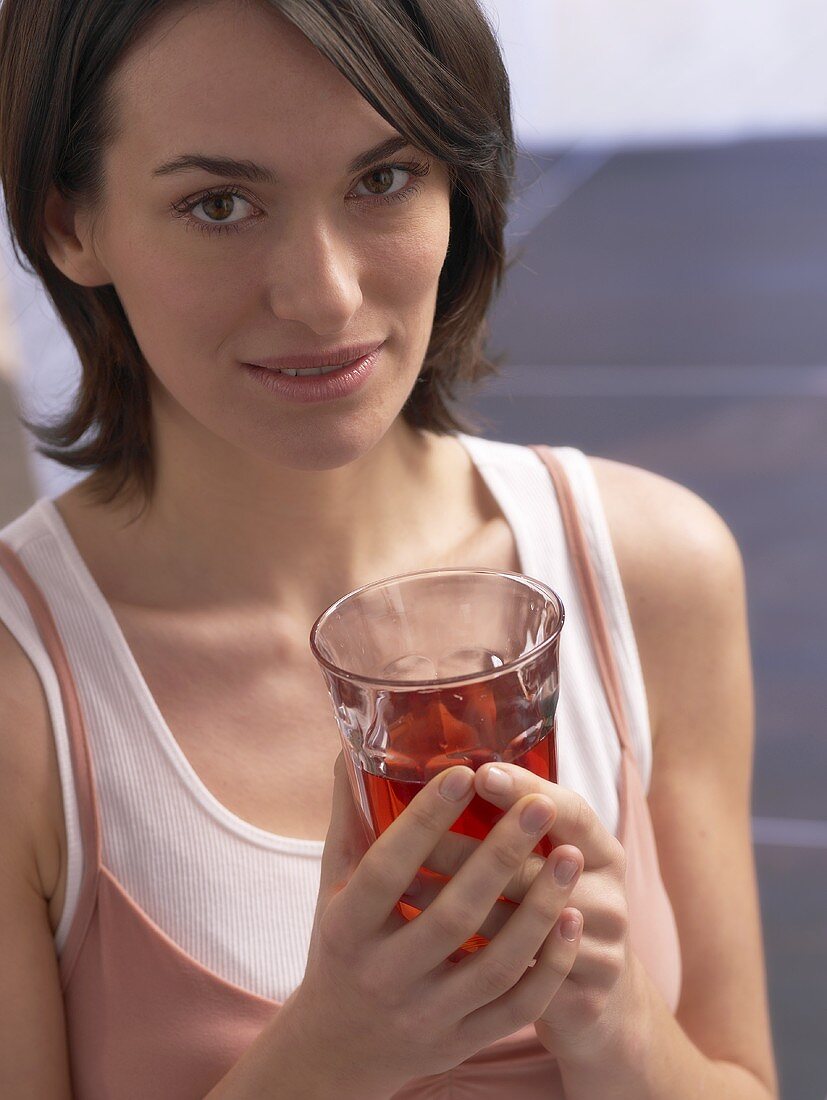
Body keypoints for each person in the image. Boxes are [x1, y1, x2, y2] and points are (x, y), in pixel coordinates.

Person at [0, 1, 778, 1097]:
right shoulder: (23, 700)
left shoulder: (652, 570)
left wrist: (617, 1020)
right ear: (69, 222)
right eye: (218, 203)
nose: (323, 293)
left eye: (382, 179)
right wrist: (336, 1050)